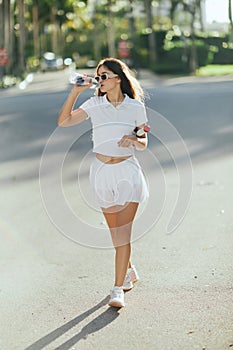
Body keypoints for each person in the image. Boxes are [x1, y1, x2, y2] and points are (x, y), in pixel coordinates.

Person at [58, 57, 149, 308]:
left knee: (123, 235)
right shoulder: (94, 104)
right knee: (114, 233)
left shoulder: (135, 107)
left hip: (127, 173)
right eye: (98, 76)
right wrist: (75, 92)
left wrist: (133, 141)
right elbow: (64, 121)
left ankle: (117, 289)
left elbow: (143, 142)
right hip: (101, 173)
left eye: (104, 75)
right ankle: (129, 270)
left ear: (118, 78)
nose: (100, 79)